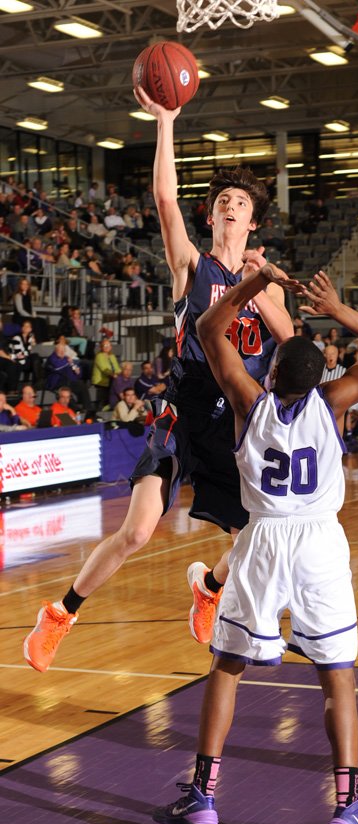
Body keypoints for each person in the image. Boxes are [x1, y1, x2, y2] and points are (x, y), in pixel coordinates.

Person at [23, 84, 293, 674]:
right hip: (182, 410)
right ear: (212, 212)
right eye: (222, 198)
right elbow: (165, 200)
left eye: (240, 202)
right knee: (139, 532)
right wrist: (167, 121)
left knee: (261, 533)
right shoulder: (191, 265)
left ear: (253, 220)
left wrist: (262, 279)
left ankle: (211, 588)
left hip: (237, 423)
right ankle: (61, 613)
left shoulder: (267, 283)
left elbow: (292, 345)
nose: (229, 205)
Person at [152, 265, 358, 824]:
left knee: (228, 666)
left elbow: (211, 328)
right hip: (319, 542)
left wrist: (254, 283)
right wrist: (338, 309)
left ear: (270, 371)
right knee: (335, 675)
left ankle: (203, 797)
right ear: (322, 381)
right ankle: (347, 809)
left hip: (261, 540)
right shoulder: (335, 402)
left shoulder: (248, 401)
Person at [91, 338, 121, 409]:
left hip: (112, 378)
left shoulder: (112, 356)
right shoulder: (99, 356)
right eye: (105, 345)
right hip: (101, 381)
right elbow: (104, 369)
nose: (107, 347)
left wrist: (119, 373)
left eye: (108, 345)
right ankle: (109, 405)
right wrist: (113, 375)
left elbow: (117, 368)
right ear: (101, 347)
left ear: (111, 347)